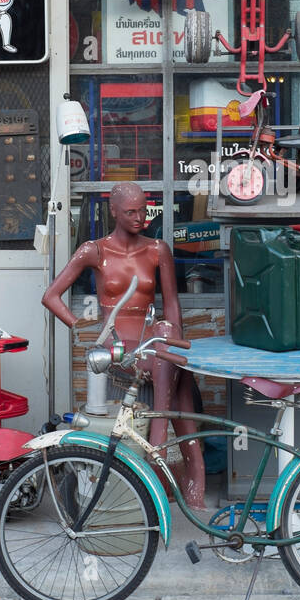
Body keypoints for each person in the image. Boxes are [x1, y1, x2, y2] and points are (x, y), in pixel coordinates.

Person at [42, 181, 206, 508]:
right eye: (131, 212)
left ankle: (182, 468)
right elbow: (51, 296)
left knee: (170, 360)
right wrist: (83, 332)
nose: (140, 218)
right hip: (118, 345)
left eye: (144, 210)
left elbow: (172, 303)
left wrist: (174, 338)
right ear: (113, 211)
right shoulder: (95, 250)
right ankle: (165, 456)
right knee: (173, 372)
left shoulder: (157, 249)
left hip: (152, 341)